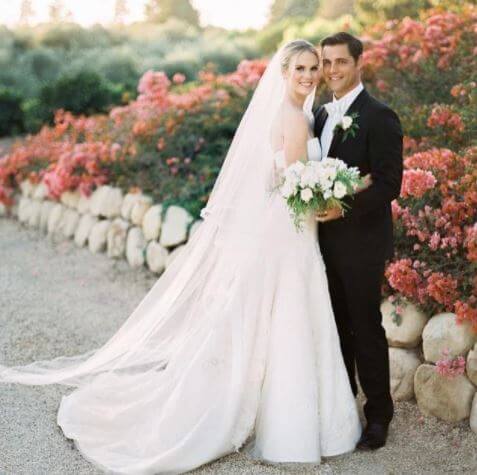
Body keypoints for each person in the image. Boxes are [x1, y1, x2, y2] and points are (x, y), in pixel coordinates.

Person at [0, 40, 364, 474]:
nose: (308, 75)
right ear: (284, 71)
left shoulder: (297, 113)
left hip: (287, 231)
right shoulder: (294, 117)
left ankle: (285, 416)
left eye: (313, 68)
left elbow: (281, 181)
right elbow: (295, 185)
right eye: (300, 68)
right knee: (291, 320)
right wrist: (329, 194)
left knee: (283, 320)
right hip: (290, 234)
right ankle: (292, 428)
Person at [314, 32, 403, 450]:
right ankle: (341, 408)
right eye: (326, 62)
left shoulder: (379, 116)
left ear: (358, 64)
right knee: (333, 328)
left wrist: (344, 205)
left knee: (365, 326)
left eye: (340, 62)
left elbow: (389, 183)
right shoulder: (319, 115)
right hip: (320, 242)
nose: (332, 71)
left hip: (362, 243)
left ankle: (379, 417)